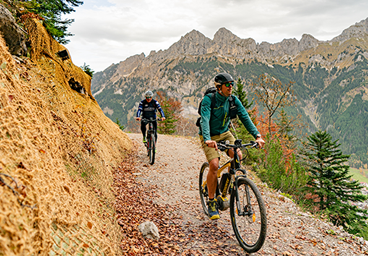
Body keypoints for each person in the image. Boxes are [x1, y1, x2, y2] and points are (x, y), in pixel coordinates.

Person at [199, 72, 265, 220]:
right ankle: (211, 202)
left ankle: (222, 191)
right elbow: (204, 119)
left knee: (238, 157)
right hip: (208, 135)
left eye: (232, 85)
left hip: (224, 133)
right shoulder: (209, 100)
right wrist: (208, 139)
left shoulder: (233, 100)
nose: (230, 87)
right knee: (214, 165)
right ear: (219, 87)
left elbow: (245, 117)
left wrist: (258, 136)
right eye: (227, 84)